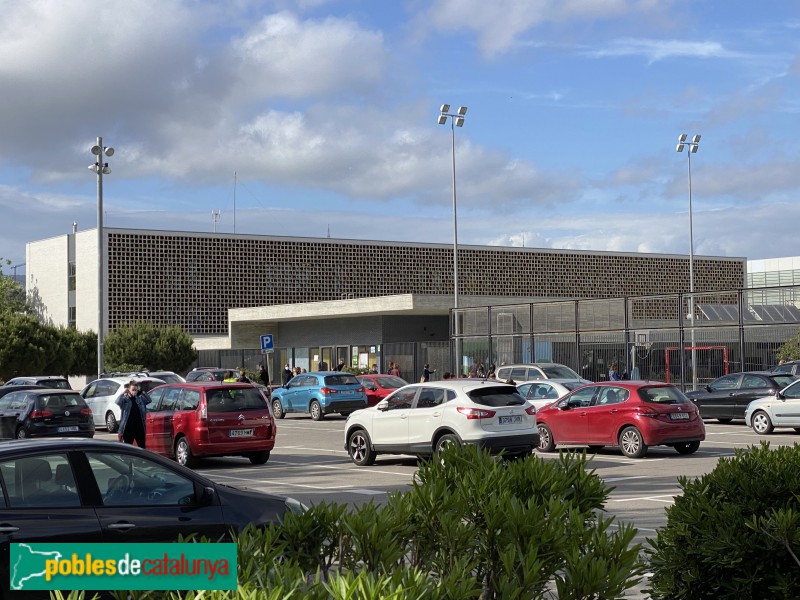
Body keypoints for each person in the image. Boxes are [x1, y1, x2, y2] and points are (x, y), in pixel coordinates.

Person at [116, 381, 151, 449]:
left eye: (135, 390)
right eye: (133, 390)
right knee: (128, 448)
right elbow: (117, 401)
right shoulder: (125, 400)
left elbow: (149, 400)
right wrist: (123, 393)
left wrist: (142, 392)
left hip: (139, 428)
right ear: (129, 390)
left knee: (142, 447)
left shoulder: (140, 399)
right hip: (128, 428)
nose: (134, 391)